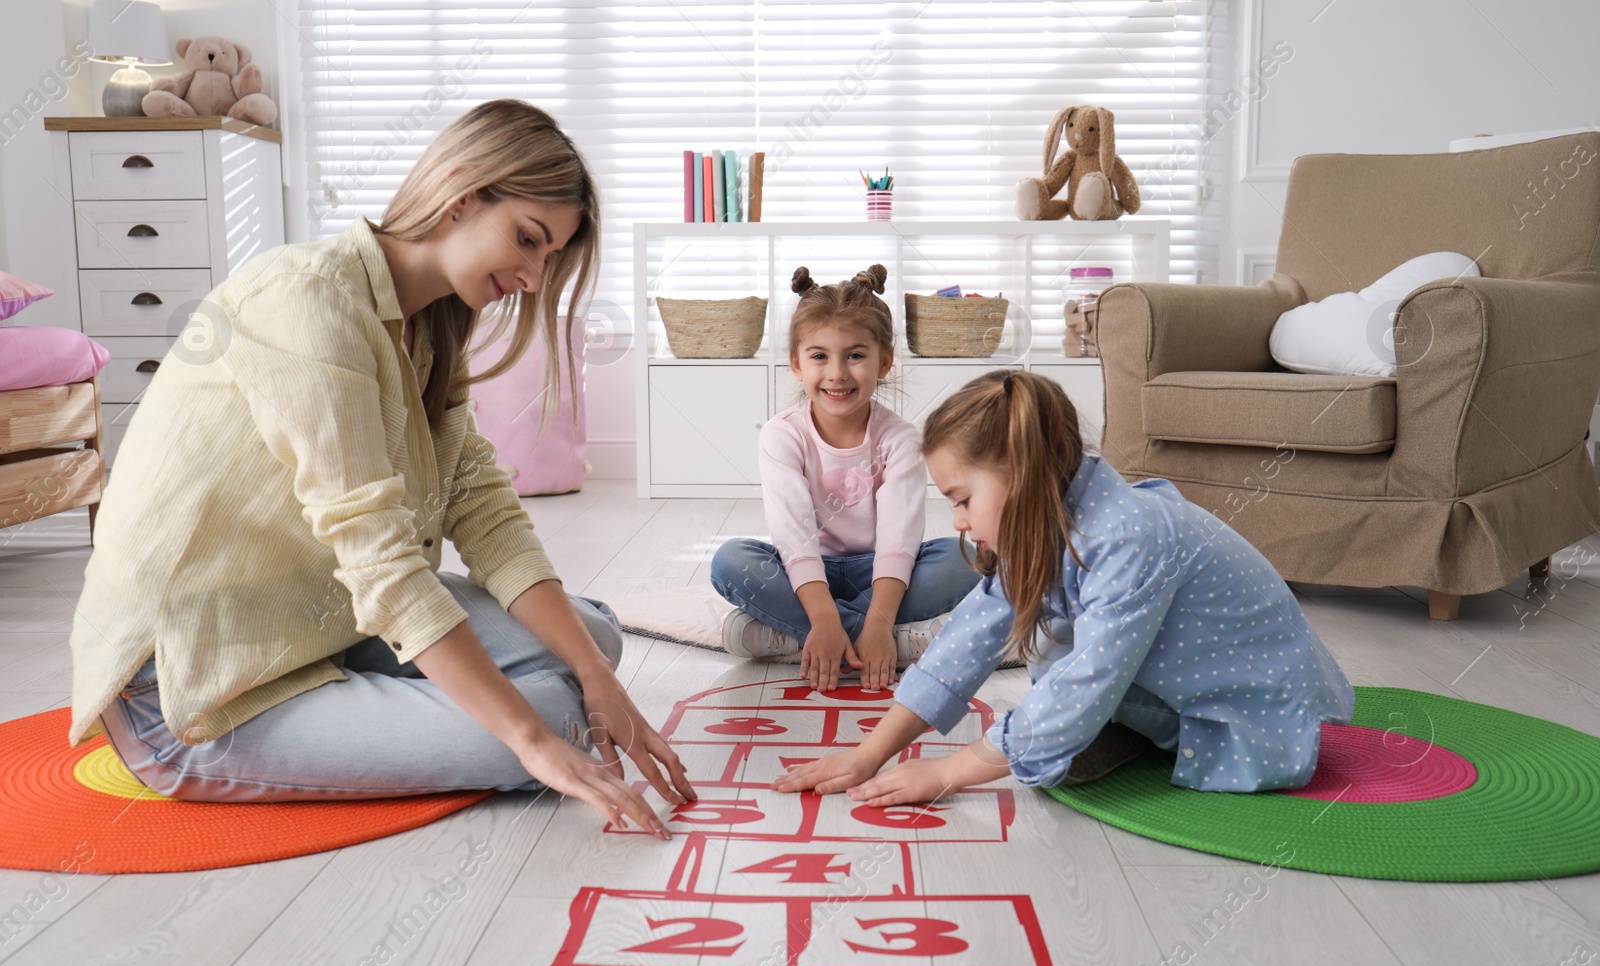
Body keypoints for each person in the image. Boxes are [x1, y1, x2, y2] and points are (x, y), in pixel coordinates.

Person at [68, 99, 694, 838]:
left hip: (316, 622)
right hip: (193, 691)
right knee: (552, 716)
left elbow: (486, 515)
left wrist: (597, 677)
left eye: (547, 257)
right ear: (461, 191)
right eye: (528, 240)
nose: (531, 276)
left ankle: (408, 696)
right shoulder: (307, 302)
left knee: (595, 643)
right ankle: (402, 706)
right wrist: (532, 741)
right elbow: (383, 561)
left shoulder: (430, 328)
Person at [775, 369, 1354, 803]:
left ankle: (1148, 732)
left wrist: (950, 770)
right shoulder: (1043, 517)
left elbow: (1088, 678)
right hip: (1167, 675)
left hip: (1251, 705)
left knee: (1050, 726)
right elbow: (969, 637)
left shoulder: (1128, 536)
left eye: (962, 500)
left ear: (1021, 476)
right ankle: (1115, 731)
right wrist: (869, 753)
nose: (957, 521)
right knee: (1045, 741)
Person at [711, 264, 981, 692]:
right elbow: (793, 534)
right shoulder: (783, 435)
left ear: (885, 361)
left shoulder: (901, 439)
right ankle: (877, 639)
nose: (837, 373)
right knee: (731, 561)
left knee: (966, 559)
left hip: (880, 574)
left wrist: (879, 616)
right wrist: (824, 615)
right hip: (802, 572)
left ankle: (795, 637)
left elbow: (900, 537)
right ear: (797, 364)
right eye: (820, 356)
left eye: (855, 355)